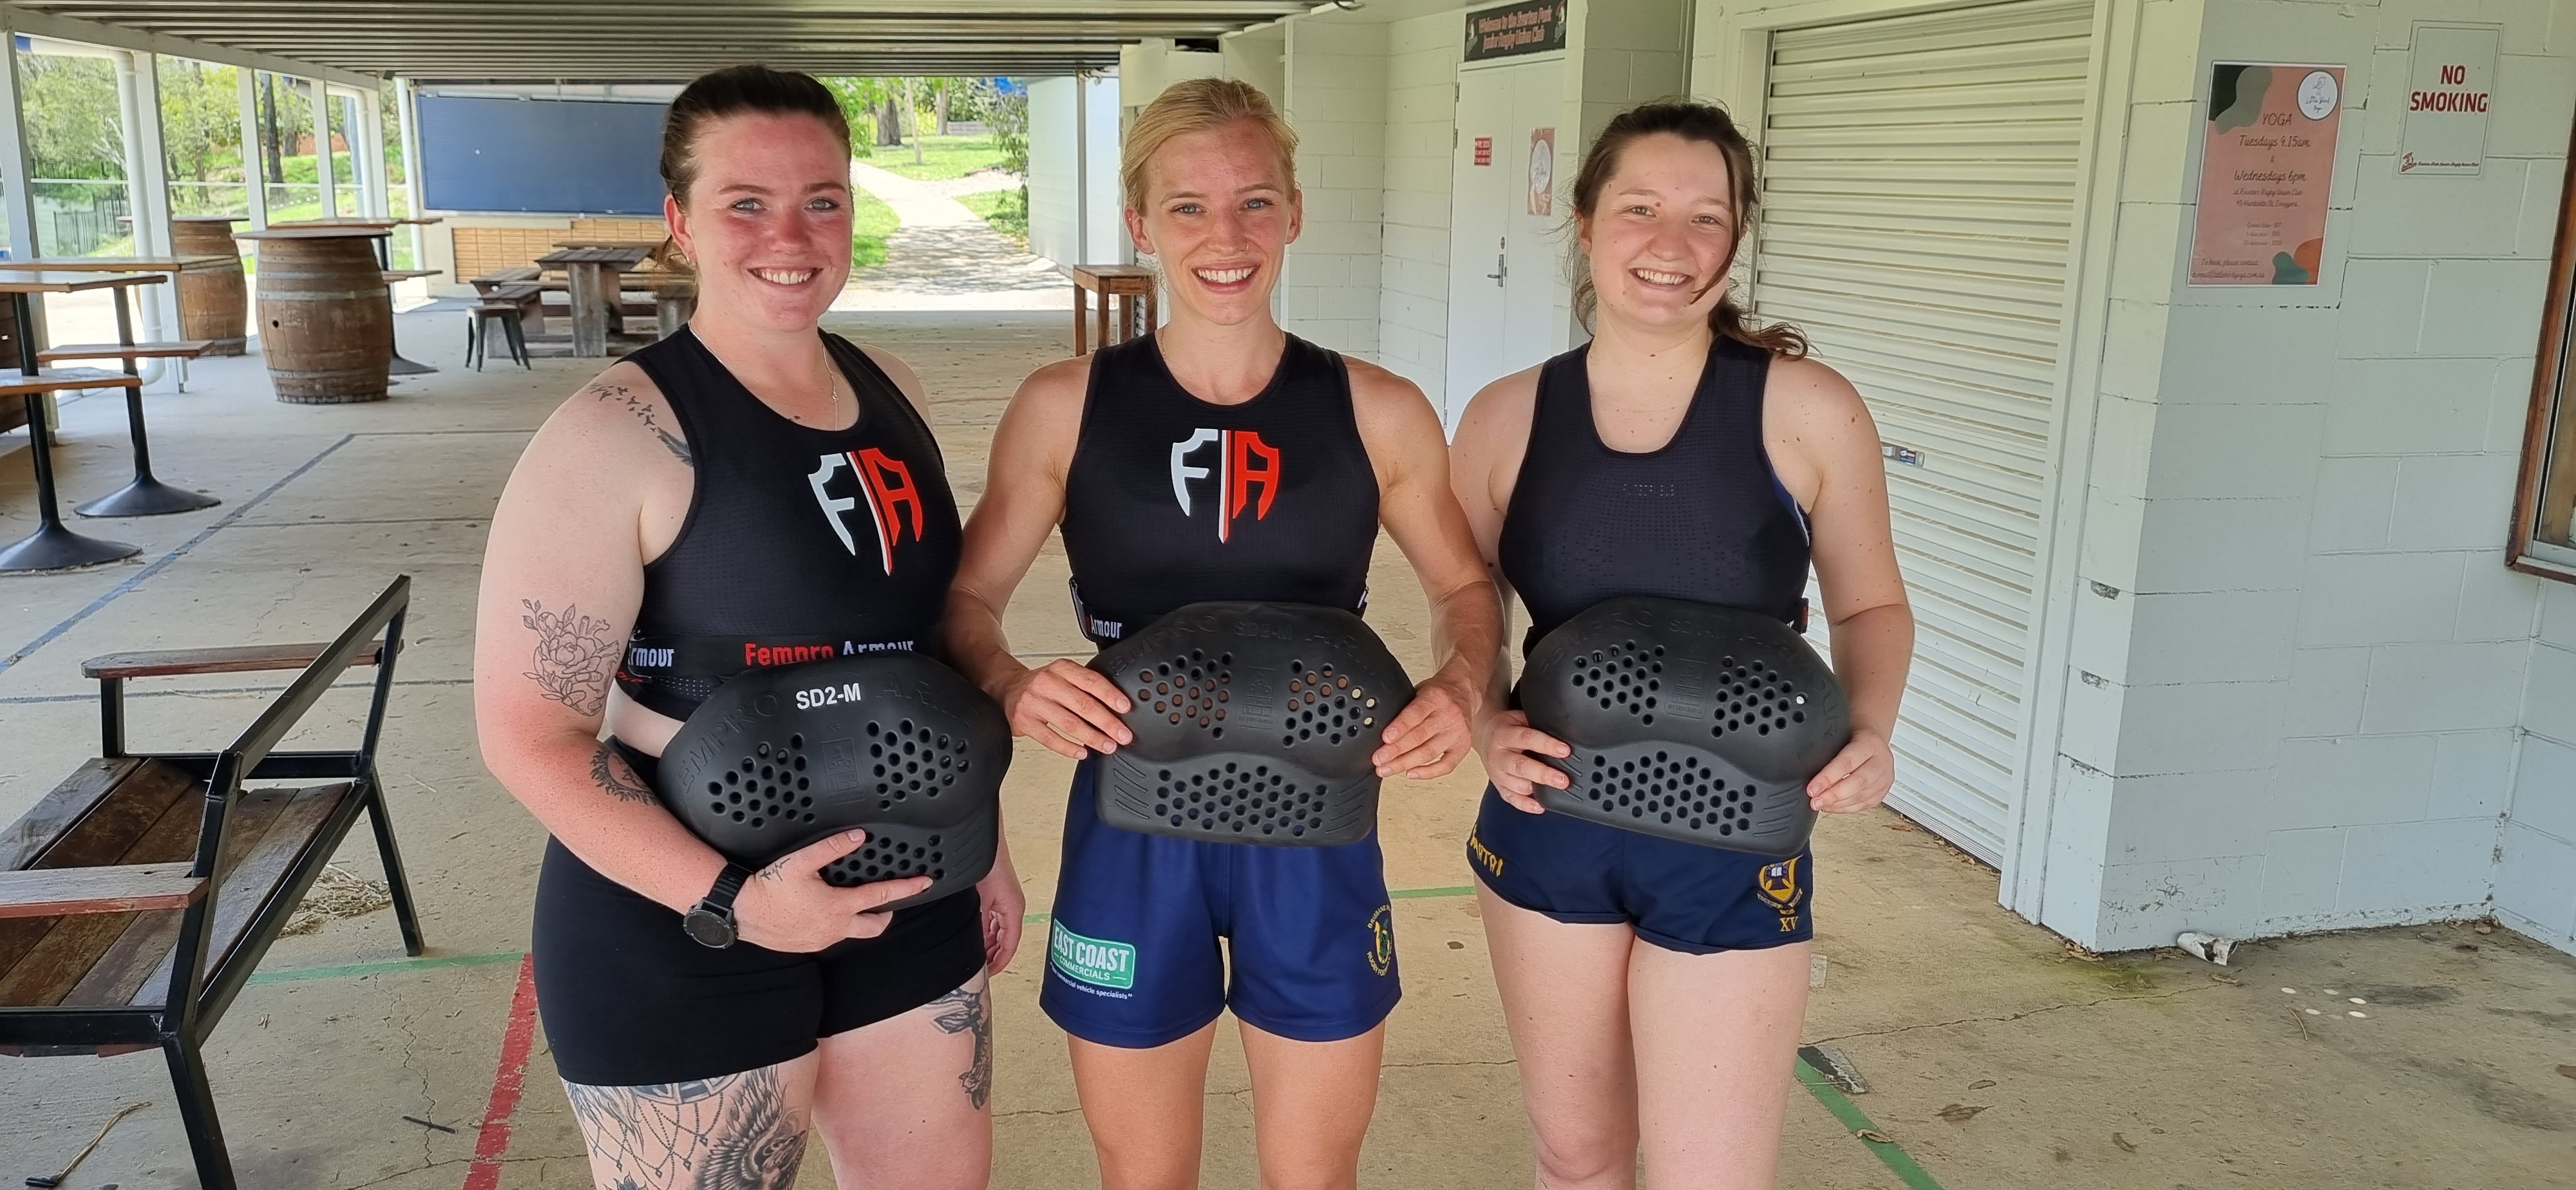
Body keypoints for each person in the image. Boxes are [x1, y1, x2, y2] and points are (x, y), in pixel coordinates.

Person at [943, 77, 1501, 1190]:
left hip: (1320, 816)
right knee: (1143, 1171)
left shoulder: (1376, 408)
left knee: (1314, 1170)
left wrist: (1463, 684)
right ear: (1143, 226)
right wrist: (1011, 683)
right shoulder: (1068, 405)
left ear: (1294, 213)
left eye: (1254, 202)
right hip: (1131, 818)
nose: (1226, 236)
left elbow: (1464, 588)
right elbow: (963, 605)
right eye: (1189, 208)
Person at [473, 64, 1016, 1190]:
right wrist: (733, 902)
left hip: (908, 882)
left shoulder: (894, 390)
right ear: (679, 222)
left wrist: (990, 845)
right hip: (681, 915)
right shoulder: (613, 434)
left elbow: (924, 656)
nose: (792, 233)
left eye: (823, 198)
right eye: (745, 202)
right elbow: (529, 735)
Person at [1447, 100, 1914, 1189]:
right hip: (1551, 821)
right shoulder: (1505, 419)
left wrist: (1874, 727)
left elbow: (1871, 608)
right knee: (1576, 1159)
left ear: (1737, 237)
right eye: (1641, 209)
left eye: (1706, 218)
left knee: (1711, 1173)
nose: (1671, 246)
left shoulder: (1807, 408)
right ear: (1584, 219)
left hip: (1736, 832)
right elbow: (1462, 601)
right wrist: (1482, 719)